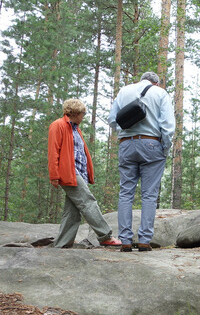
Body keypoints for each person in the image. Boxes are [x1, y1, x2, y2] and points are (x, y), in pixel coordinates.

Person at [108, 71, 175, 252]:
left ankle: (125, 241)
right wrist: (165, 148)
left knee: (125, 193)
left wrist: (126, 134)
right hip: (152, 143)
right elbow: (168, 126)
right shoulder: (160, 93)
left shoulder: (124, 91)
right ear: (155, 82)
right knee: (149, 195)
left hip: (126, 144)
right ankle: (145, 240)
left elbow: (112, 120)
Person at [48, 98, 121, 248]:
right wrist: (54, 175)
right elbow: (53, 152)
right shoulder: (58, 125)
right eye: (82, 114)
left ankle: (62, 244)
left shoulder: (75, 128)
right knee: (88, 202)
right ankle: (105, 236)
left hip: (78, 173)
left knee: (73, 211)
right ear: (74, 113)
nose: (83, 117)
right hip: (68, 173)